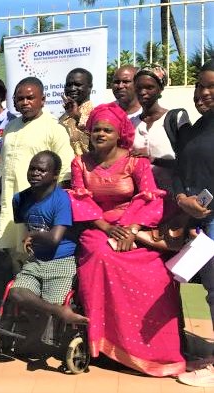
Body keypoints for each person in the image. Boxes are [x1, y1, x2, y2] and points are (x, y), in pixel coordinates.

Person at [68, 102, 184, 377]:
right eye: (96, 129)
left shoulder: (137, 162)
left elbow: (150, 197)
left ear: (119, 132)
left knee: (156, 272)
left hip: (133, 225)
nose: (101, 134)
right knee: (102, 257)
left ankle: (154, 352)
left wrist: (131, 228)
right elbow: (81, 200)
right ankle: (106, 345)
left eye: (107, 130)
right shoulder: (80, 162)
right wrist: (108, 228)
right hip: (98, 228)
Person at [0, 78, 74, 259]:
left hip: (38, 206)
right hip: (13, 200)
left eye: (30, 98)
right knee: (14, 253)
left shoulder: (54, 127)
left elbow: (65, 170)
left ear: (43, 100)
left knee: (33, 251)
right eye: (20, 98)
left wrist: (50, 206)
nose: (25, 103)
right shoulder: (10, 127)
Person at [7, 151, 87, 325]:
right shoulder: (20, 198)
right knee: (16, 293)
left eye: (41, 170)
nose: (35, 173)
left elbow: (54, 239)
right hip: (36, 260)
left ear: (55, 176)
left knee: (47, 308)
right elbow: (23, 226)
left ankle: (50, 318)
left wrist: (33, 235)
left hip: (62, 261)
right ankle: (59, 311)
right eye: (32, 169)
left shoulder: (61, 199)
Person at [175, 60, 214, 387]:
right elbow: (179, 174)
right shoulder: (194, 129)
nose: (203, 92)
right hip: (197, 223)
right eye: (200, 85)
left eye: (211, 86)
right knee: (209, 292)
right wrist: (182, 201)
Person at [132, 65, 190, 193]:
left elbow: (189, 160)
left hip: (175, 199)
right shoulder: (130, 123)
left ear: (160, 89)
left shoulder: (177, 118)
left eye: (149, 87)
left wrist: (155, 160)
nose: (142, 92)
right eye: (139, 88)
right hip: (142, 200)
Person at [59, 68, 95, 156]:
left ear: (90, 87)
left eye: (78, 85)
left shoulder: (96, 115)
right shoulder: (63, 117)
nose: (72, 88)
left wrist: (78, 117)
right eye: (69, 85)